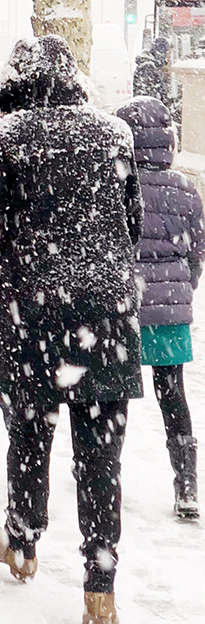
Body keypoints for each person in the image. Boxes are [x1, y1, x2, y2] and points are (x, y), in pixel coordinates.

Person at [0, 36, 143, 624]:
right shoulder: (115, 135)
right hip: (105, 316)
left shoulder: (4, 138)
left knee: (29, 434)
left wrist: (6, 266)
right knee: (101, 455)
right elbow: (133, 225)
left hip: (32, 315)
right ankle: (101, 586)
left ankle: (22, 544)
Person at [116, 96, 204, 518]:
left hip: (124, 308)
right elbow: (196, 255)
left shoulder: (116, 186)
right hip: (169, 311)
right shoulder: (186, 189)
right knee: (173, 394)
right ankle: (186, 483)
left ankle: (102, 472)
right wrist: (179, 292)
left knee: (112, 397)